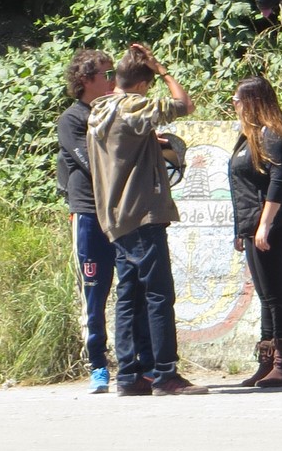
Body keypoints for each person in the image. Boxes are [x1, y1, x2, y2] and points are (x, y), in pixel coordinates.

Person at [86, 43, 204, 396]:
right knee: (158, 294)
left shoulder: (99, 110)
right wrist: (162, 69)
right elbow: (184, 104)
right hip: (142, 213)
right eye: (149, 83)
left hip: (115, 217)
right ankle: (165, 373)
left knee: (129, 296)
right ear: (142, 84)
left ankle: (129, 375)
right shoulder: (134, 107)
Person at [229, 77, 282, 388]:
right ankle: (267, 361)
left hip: (272, 224)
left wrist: (265, 224)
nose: (234, 104)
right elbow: (244, 188)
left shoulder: (272, 134)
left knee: (275, 294)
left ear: (253, 101)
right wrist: (241, 230)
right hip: (253, 225)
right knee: (265, 296)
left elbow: (278, 181)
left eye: (238, 99)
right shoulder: (249, 136)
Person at [58, 49, 118, 394]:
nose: (113, 80)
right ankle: (98, 365)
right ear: (85, 80)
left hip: (122, 212)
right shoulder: (72, 118)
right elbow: (91, 162)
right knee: (94, 293)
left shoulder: (117, 110)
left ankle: (139, 362)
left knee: (134, 289)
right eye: (107, 75)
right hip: (89, 213)